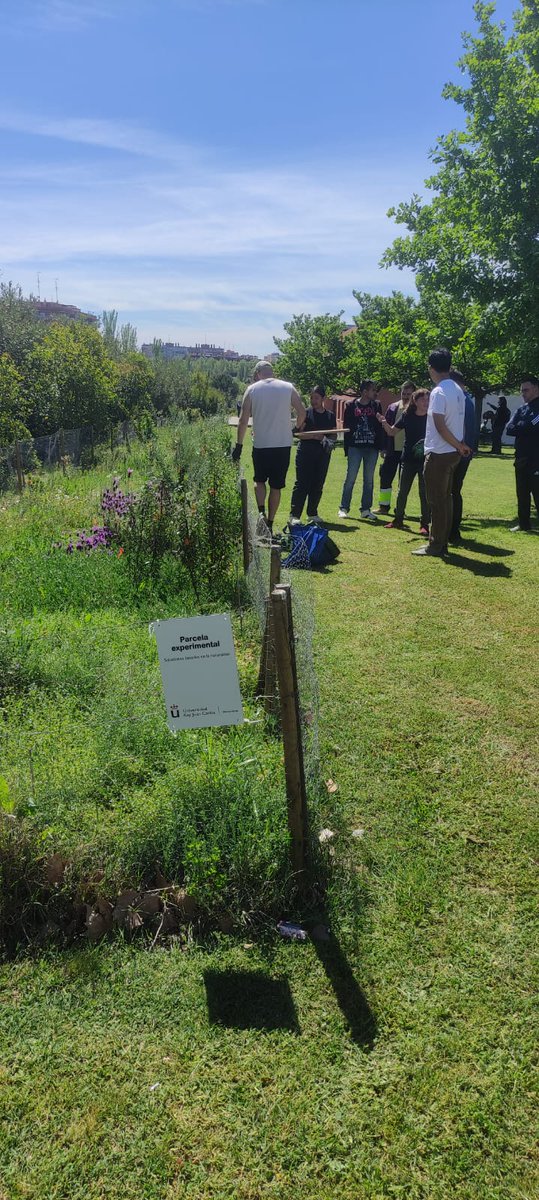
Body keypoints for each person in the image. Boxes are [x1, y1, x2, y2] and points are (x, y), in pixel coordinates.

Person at [232, 360, 306, 537]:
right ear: (271, 372)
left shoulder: (252, 389)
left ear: (257, 373)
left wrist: (239, 445)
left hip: (262, 444)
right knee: (276, 487)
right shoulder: (288, 387)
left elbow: (243, 420)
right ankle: (270, 522)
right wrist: (295, 429)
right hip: (282, 445)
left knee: (259, 481)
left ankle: (261, 512)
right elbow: (302, 412)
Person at [412, 348, 471, 558]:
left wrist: (457, 445)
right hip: (452, 453)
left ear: (431, 368)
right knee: (446, 499)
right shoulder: (457, 389)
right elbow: (458, 422)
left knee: (437, 501)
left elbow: (439, 425)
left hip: (439, 453)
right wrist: (460, 445)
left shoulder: (438, 392)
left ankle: (435, 546)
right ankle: (441, 543)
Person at [377, 388, 430, 534]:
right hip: (408, 459)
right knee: (402, 492)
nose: (426, 402)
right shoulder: (407, 415)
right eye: (423, 399)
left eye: (428, 399)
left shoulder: (432, 416)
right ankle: (398, 519)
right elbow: (392, 432)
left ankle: (425, 524)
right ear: (415, 401)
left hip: (426, 460)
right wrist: (383, 422)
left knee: (424, 493)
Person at [289, 385, 337, 524]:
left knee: (317, 484)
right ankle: (295, 515)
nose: (313, 400)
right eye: (311, 398)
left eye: (316, 398)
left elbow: (333, 436)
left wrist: (324, 439)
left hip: (322, 455)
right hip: (305, 454)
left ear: (323, 398)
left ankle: (312, 513)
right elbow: (298, 434)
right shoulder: (306, 413)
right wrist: (314, 437)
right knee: (302, 484)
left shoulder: (330, 415)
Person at [338, 380, 384, 520]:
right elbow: (346, 428)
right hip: (355, 447)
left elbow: (380, 427)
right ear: (365, 392)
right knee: (350, 478)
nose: (375, 392)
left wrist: (381, 446)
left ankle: (365, 509)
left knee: (368, 480)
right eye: (372, 390)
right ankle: (344, 508)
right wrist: (347, 448)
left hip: (371, 448)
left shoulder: (376, 405)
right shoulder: (351, 405)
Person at [375, 380, 416, 514]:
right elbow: (385, 429)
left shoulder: (417, 411)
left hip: (408, 452)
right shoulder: (392, 407)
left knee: (402, 483)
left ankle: (400, 509)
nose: (405, 396)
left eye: (408, 394)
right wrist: (383, 448)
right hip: (392, 450)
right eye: (403, 393)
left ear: (413, 394)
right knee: (385, 478)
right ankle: (383, 506)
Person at [505, 375, 539, 532]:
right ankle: (524, 524)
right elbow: (510, 428)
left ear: (535, 388)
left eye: (526, 390)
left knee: (537, 492)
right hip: (521, 457)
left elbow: (531, 427)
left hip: (536, 458)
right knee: (522, 492)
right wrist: (522, 426)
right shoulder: (521, 409)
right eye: (521, 391)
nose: (523, 394)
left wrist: (522, 426)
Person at [448, 369, 477, 544]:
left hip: (459, 452)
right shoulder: (468, 400)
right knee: (454, 491)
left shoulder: (462, 401)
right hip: (464, 452)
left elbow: (463, 429)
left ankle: (452, 530)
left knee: (451, 492)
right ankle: (453, 530)